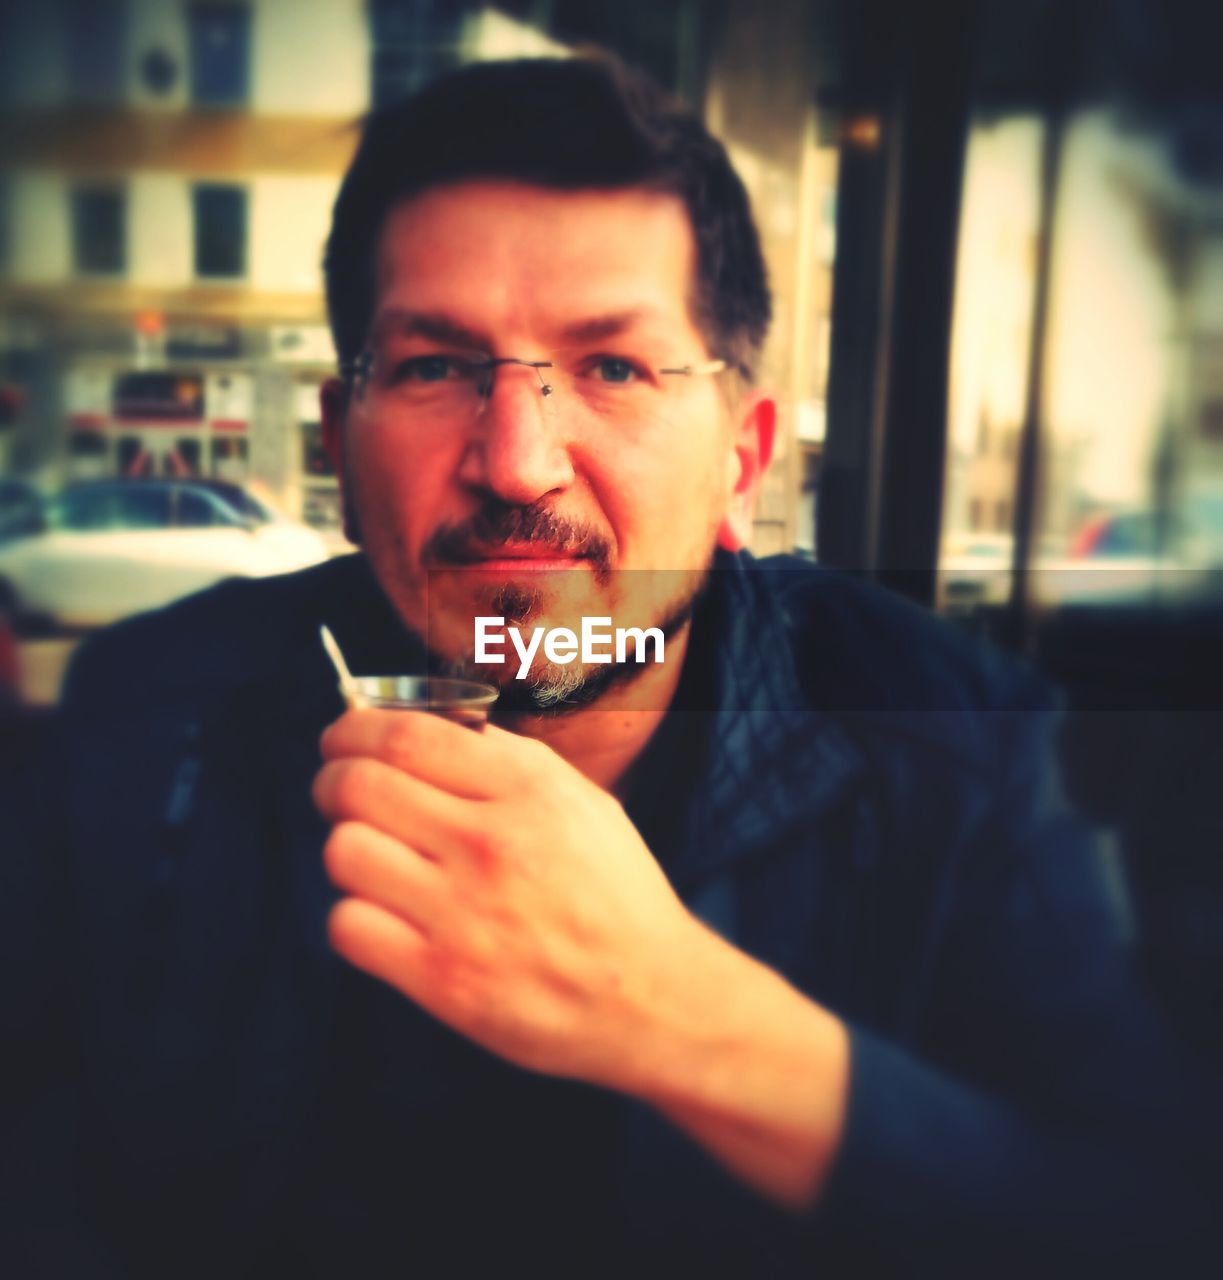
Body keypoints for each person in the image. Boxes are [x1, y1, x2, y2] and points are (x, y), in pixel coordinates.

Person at [4, 55, 1220, 1279]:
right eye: (433, 366)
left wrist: (675, 1008)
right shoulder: (148, 722)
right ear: (338, 441)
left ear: (739, 462)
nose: (519, 460)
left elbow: (1147, 1219)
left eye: (614, 367)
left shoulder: (952, 742)